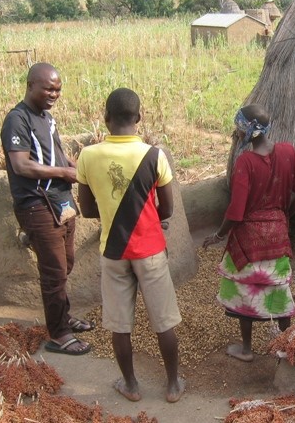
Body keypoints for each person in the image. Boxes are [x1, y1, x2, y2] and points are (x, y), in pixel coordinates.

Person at [77, 88, 184, 403]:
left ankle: (131, 385)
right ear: (139, 118)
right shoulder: (155, 155)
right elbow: (167, 210)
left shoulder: (88, 155)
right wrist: (147, 216)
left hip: (113, 251)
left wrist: (114, 213)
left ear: (105, 118)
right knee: (164, 322)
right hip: (150, 249)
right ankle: (174, 385)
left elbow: (86, 209)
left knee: (120, 325)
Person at [202, 104, 295, 362]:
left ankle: (247, 349)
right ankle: (286, 347)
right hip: (278, 233)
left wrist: (219, 235)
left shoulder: (245, 162)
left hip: (248, 239)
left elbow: (236, 212)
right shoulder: (289, 152)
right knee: (279, 287)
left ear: (243, 130)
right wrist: (285, 215)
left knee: (244, 289)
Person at [0, 62, 92, 355]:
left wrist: (74, 167)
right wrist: (63, 174)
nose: (54, 94)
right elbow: (21, 164)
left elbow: (58, 153)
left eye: (58, 89)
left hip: (60, 201)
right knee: (53, 271)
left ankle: (62, 318)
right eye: (49, 88)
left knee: (65, 264)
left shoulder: (47, 119)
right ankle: (58, 334)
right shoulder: (18, 120)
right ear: (30, 86)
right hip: (37, 203)